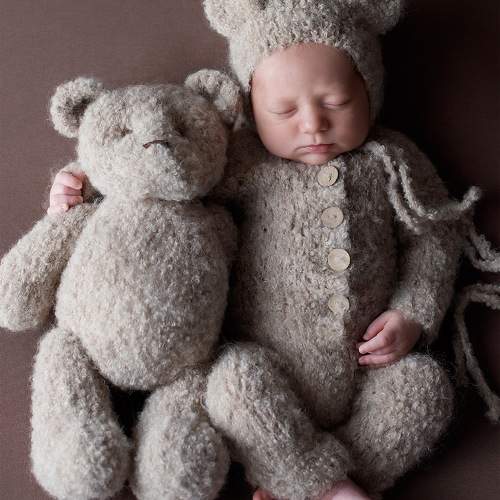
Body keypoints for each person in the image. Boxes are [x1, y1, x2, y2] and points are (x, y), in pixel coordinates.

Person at [46, 1, 483, 498]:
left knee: (425, 389)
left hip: (370, 370)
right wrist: (83, 188)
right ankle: (321, 483)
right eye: (285, 111)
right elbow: (164, 178)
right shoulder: (242, 160)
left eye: (336, 102)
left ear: (370, 88)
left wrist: (412, 313)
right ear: (253, 108)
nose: (313, 124)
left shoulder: (392, 160)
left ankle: (307, 482)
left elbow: (434, 237)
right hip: (266, 368)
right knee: (231, 384)